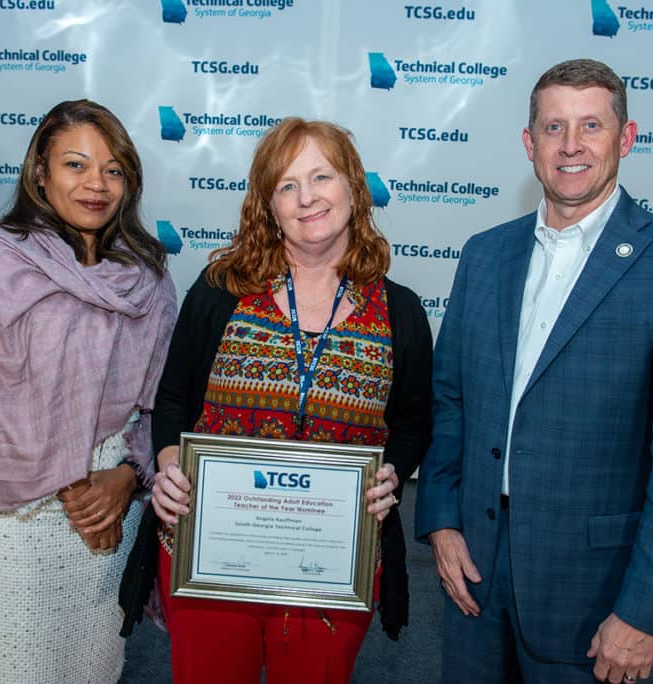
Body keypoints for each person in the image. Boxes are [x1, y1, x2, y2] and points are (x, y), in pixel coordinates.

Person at [415, 59, 653, 684]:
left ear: (626, 138)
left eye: (591, 125)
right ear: (528, 142)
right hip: (474, 575)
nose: (571, 146)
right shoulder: (485, 254)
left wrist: (645, 613)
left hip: (595, 595)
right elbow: (450, 399)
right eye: (553, 127)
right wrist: (441, 521)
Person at [149, 117, 433, 683]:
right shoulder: (220, 291)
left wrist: (392, 473)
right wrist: (167, 465)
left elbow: (412, 422)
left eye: (322, 176)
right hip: (212, 550)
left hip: (332, 561)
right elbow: (173, 399)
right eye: (286, 185)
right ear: (267, 205)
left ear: (353, 186)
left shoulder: (399, 310)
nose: (307, 198)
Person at [0, 99, 177, 683]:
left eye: (113, 170)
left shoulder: (147, 274)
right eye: (76, 165)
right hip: (9, 511)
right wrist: (71, 477)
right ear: (39, 171)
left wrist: (130, 478)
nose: (96, 184)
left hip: (109, 506)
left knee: (90, 667)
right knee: (5, 664)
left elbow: (165, 400)